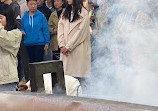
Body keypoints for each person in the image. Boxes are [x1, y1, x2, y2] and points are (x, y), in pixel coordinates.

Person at [57, 0, 91, 89]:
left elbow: (80, 34)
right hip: (66, 52)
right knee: (67, 80)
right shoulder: (66, 12)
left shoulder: (84, 13)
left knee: (79, 81)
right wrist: (61, 45)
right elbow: (60, 27)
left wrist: (68, 46)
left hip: (78, 50)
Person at [0, 4, 22, 91]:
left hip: (7, 80)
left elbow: (3, 37)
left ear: (8, 18)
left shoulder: (16, 33)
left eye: (0, 18)